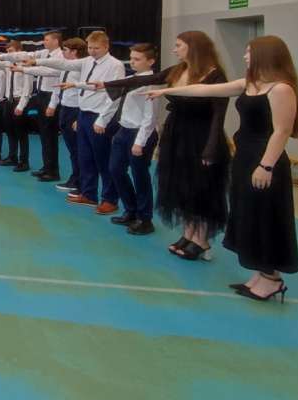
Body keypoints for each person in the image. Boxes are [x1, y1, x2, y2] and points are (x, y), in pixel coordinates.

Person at [148, 35, 298, 300]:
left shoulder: (281, 89)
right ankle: (261, 274)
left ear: (265, 55)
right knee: (248, 214)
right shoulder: (249, 84)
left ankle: (272, 279)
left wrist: (266, 166)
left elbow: (282, 131)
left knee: (265, 217)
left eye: (249, 52)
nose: (244, 56)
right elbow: (205, 90)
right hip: (244, 157)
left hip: (265, 158)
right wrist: (166, 91)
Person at [100, 31, 230, 260]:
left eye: (179, 45)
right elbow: (141, 80)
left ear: (193, 47)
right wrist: (105, 84)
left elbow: (219, 116)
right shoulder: (178, 70)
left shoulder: (215, 75)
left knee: (200, 187)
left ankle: (201, 239)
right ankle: (188, 233)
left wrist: (211, 148)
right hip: (177, 134)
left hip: (200, 137)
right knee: (182, 186)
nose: (174, 49)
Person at [29, 30, 124, 214]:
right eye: (90, 47)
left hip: (99, 115)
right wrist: (37, 62)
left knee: (103, 160)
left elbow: (115, 96)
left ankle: (109, 199)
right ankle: (88, 194)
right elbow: (64, 63)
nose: (92, 51)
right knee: (85, 157)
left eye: (96, 48)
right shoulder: (87, 61)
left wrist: (103, 120)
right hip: (84, 113)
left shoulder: (115, 65)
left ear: (106, 46)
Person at [105, 43, 161, 236]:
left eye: (137, 59)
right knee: (115, 169)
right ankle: (131, 210)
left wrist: (140, 142)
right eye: (131, 58)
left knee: (140, 175)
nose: (132, 62)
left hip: (140, 133)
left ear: (150, 61)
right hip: (124, 130)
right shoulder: (131, 79)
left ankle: (145, 219)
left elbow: (150, 117)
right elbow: (108, 90)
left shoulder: (151, 83)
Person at [0, 31, 63, 180]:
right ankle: (47, 167)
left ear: (56, 41)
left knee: (50, 136)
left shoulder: (60, 57)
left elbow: (48, 72)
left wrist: (25, 68)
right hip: (41, 94)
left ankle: (52, 171)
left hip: (50, 95)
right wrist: (0, 57)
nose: (44, 42)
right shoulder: (44, 53)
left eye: (47, 40)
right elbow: (26, 55)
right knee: (44, 135)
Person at [39, 38, 88, 192]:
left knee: (77, 149)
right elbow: (58, 87)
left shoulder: (82, 68)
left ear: (74, 51)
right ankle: (76, 178)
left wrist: (80, 116)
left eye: (65, 50)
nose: (63, 53)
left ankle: (79, 181)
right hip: (65, 108)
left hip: (75, 110)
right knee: (72, 148)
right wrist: (53, 105)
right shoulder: (66, 67)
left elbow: (85, 93)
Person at [0, 40, 34, 172]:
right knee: (10, 131)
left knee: (21, 133)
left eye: (10, 51)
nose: (8, 54)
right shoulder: (7, 64)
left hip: (19, 100)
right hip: (8, 101)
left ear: (19, 51)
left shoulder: (25, 64)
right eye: (7, 52)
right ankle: (12, 157)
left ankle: (24, 161)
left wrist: (21, 106)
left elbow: (28, 87)